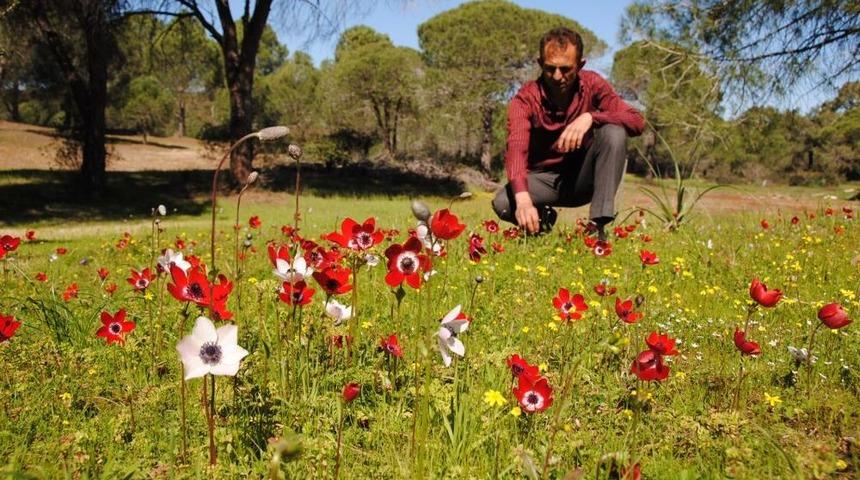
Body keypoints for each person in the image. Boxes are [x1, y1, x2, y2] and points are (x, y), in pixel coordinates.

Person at [492, 27, 645, 238]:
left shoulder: (594, 85)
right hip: (543, 180)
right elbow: (516, 150)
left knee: (614, 132)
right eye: (549, 69)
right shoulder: (525, 100)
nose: (557, 76)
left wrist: (592, 117)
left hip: (582, 178)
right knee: (503, 203)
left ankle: (596, 229)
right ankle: (541, 223)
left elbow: (636, 121)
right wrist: (524, 201)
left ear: (580, 65)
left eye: (566, 69)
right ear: (539, 64)